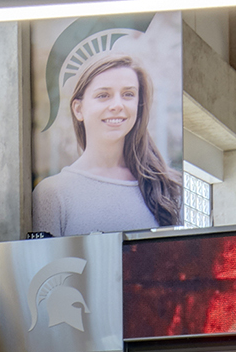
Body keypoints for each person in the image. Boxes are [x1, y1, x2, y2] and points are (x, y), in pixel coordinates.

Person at [30, 50, 183, 234]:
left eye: (128, 94)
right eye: (103, 95)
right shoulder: (52, 194)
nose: (117, 105)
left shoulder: (168, 188)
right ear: (78, 109)